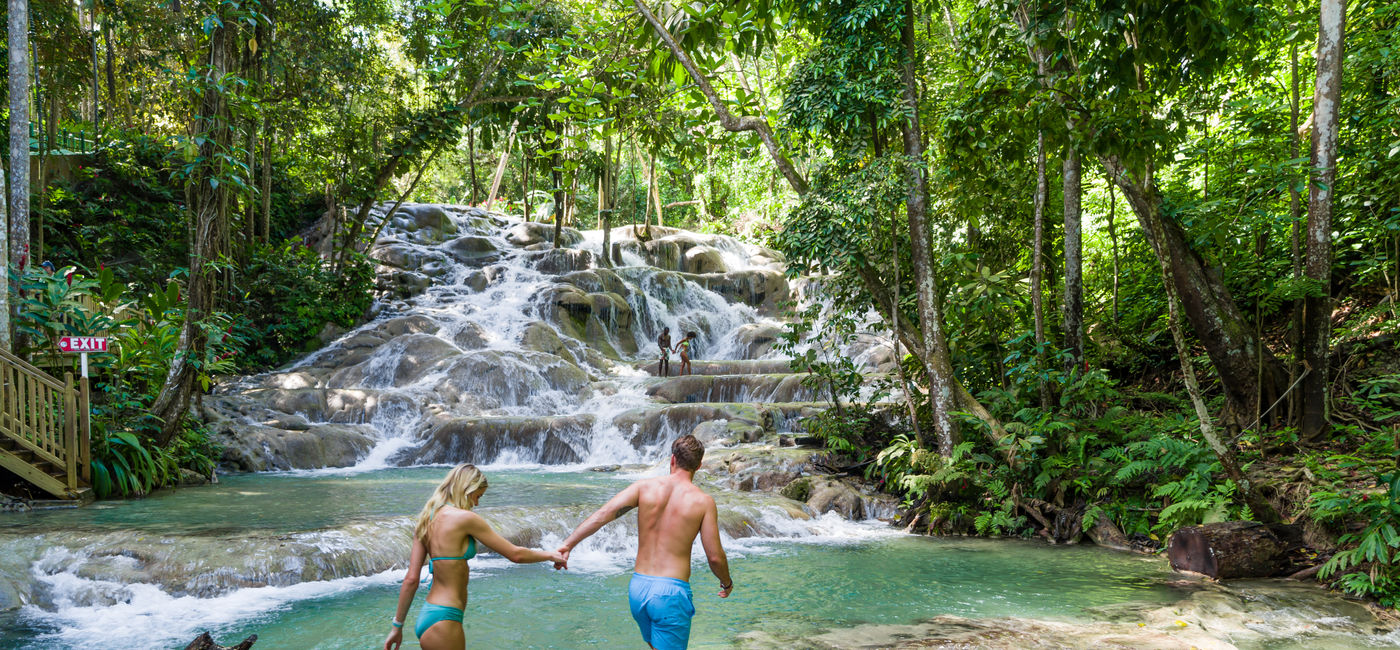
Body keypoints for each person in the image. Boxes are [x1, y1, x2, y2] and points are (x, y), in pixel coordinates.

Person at [555, 435, 732, 650]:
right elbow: (714, 556)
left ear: (672, 460)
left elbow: (603, 514)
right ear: (699, 465)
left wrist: (568, 544)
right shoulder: (703, 502)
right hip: (670, 594)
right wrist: (726, 582)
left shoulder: (644, 488)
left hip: (638, 589)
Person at [384, 464, 565, 650]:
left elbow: (411, 580)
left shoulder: (425, 520)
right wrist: (550, 554)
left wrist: (397, 626)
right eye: (477, 496)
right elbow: (515, 554)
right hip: (445, 618)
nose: (477, 503)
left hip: (430, 614)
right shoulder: (465, 518)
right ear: (466, 489)